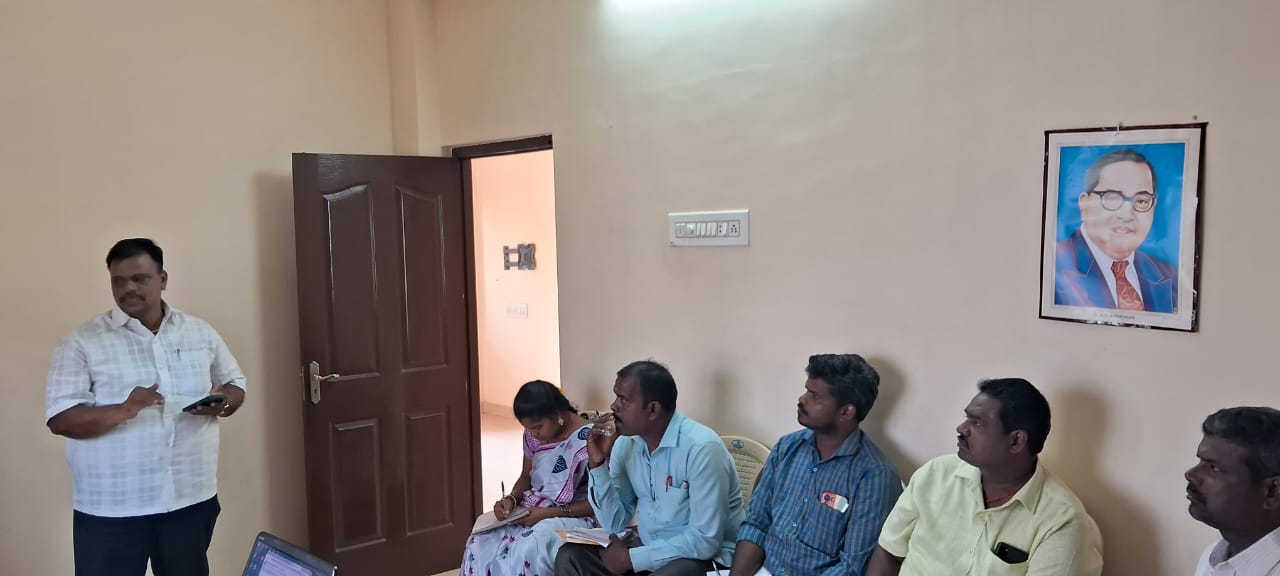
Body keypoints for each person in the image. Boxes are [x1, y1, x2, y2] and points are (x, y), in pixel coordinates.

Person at [45, 238, 246, 576]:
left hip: (189, 498)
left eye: (139, 278)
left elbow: (236, 384)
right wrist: (125, 410)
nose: (128, 289)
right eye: (118, 281)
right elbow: (61, 419)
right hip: (112, 509)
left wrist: (222, 403)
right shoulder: (81, 342)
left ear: (162, 279)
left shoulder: (200, 332)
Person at [867, 378, 1102, 576]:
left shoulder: (1062, 522)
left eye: (977, 423)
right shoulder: (935, 474)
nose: (961, 428)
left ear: (1016, 441)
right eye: (967, 418)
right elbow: (889, 551)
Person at [555, 360, 744, 576]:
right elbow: (614, 522)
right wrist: (597, 465)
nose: (614, 406)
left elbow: (705, 540)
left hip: (705, 560)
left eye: (623, 400)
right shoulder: (626, 444)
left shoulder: (702, 448)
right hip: (649, 550)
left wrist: (631, 559)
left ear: (653, 409)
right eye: (616, 397)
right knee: (571, 556)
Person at [729, 354, 901, 576]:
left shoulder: (874, 476)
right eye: (806, 391)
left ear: (846, 412)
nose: (802, 399)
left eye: (815, 396)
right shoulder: (787, 447)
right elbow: (756, 524)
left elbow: (852, 567)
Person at [461, 380, 599, 576]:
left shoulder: (589, 439)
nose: (534, 434)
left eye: (538, 427)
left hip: (576, 514)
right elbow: (526, 477)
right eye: (529, 429)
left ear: (558, 415)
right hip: (534, 509)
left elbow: (599, 503)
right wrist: (511, 499)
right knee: (480, 542)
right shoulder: (533, 436)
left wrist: (548, 514)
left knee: (529, 546)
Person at [1054, 148, 1178, 313]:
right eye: (1112, 198)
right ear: (1085, 205)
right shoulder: (1053, 266)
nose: (1126, 215)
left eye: (1141, 201)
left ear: (1153, 207)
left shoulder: (1171, 276)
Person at [1187, 407, 1280, 575]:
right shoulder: (1212, 557)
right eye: (1200, 461)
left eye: (1213, 468)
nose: (1191, 475)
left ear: (1272, 491)